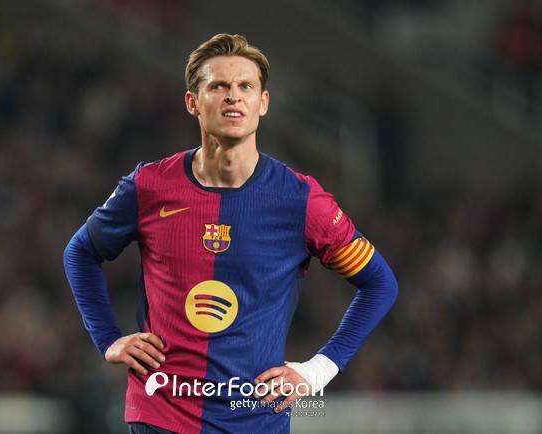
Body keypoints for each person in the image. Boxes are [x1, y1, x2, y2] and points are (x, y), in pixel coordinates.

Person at [64, 33, 398, 434]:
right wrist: (107, 339)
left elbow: (380, 283)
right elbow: (80, 252)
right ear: (193, 102)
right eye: (218, 86)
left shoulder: (300, 200)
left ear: (263, 103)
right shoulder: (149, 186)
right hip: (162, 415)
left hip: (254, 418)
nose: (233, 97)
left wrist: (318, 370)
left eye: (245, 86)